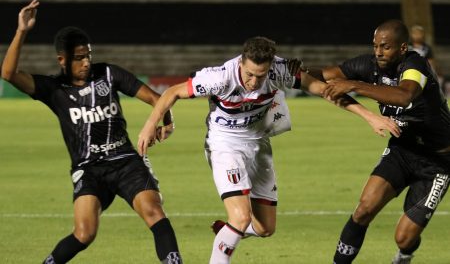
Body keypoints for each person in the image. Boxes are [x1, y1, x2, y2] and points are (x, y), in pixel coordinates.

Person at [137, 36, 400, 264]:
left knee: (264, 228)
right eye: (249, 73)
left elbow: (324, 90)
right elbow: (172, 92)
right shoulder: (220, 77)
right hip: (224, 144)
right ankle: (228, 239)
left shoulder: (279, 71)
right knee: (240, 217)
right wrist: (151, 125)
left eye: (259, 76)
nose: (253, 81)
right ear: (241, 62)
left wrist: (368, 116)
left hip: (258, 144)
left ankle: (227, 232)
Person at [1, 0, 183, 264]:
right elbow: (8, 73)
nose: (86, 62)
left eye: (88, 55)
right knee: (84, 233)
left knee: (154, 212)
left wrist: (167, 120)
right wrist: (22, 31)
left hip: (125, 161)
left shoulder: (108, 74)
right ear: (62, 60)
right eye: (78, 58)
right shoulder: (53, 89)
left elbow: (158, 98)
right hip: (88, 168)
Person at [320, 19, 450, 264]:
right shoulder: (368, 65)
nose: (378, 52)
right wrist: (291, 73)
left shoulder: (415, 65)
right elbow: (323, 75)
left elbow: (404, 95)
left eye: (385, 47)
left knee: (403, 237)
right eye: (376, 46)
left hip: (438, 162)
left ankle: (405, 254)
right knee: (364, 209)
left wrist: (355, 85)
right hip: (403, 149)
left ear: (402, 48)